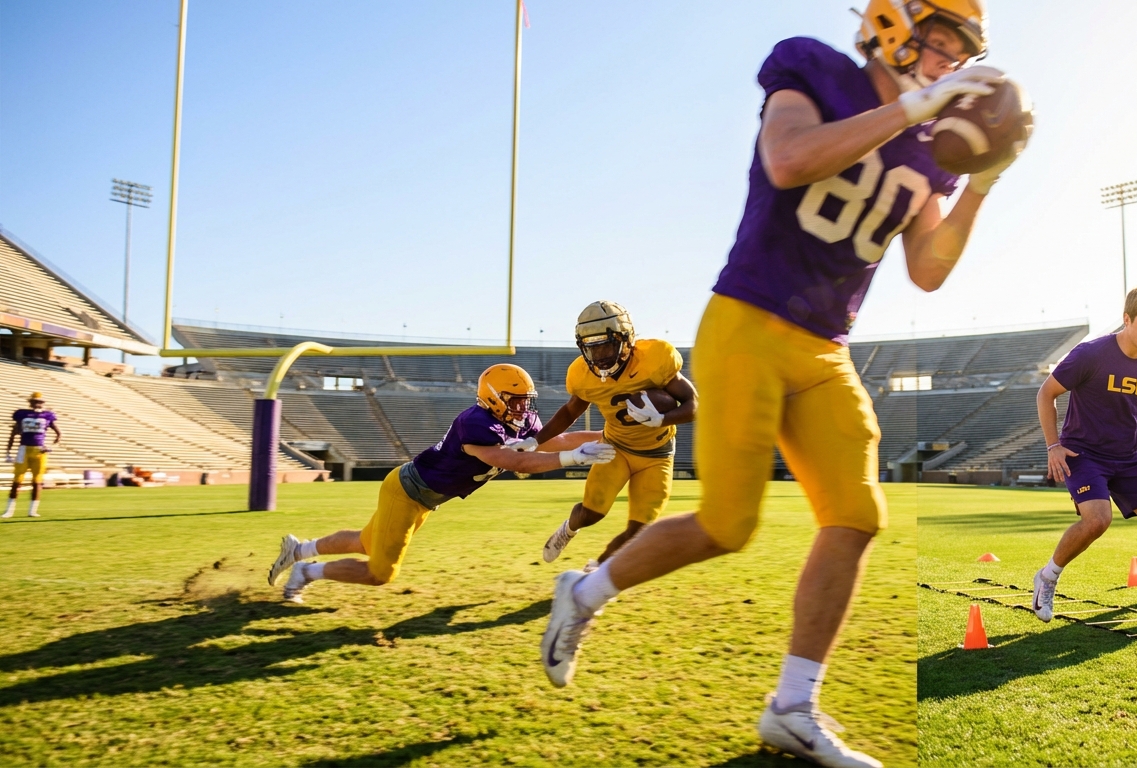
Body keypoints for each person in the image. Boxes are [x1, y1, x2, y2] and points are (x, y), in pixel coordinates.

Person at [539, 2, 1021, 766]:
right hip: (748, 322)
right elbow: (788, 159)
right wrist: (906, 110)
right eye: (937, 39)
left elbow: (927, 269)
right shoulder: (812, 68)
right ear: (893, 21)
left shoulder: (931, 145)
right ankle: (585, 592)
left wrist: (982, 186)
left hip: (825, 349)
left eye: (957, 52)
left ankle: (793, 707)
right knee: (727, 525)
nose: (943, 61)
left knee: (857, 514)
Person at [267, 364, 615, 603]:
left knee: (365, 542)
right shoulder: (475, 423)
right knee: (380, 572)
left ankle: (298, 550)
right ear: (494, 397)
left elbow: (556, 439)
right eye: (516, 400)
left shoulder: (514, 419)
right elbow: (516, 461)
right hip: (407, 492)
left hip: (423, 498)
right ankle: (306, 573)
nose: (523, 407)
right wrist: (574, 458)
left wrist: (608, 436)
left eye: (526, 400)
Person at [1034, 286, 1137, 631]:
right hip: (1084, 454)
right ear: (1126, 320)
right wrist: (1053, 446)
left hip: (1127, 458)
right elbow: (1046, 393)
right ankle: (1047, 578)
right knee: (1097, 520)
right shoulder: (1090, 354)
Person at [536, 301, 698, 571]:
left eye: (606, 345)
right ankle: (569, 528)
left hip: (657, 457)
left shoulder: (655, 358)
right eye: (592, 347)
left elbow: (694, 404)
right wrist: (535, 440)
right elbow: (569, 412)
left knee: (639, 530)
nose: (599, 355)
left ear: (626, 339)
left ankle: (595, 571)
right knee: (591, 513)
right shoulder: (582, 374)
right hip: (615, 449)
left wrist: (662, 419)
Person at [6, 392, 60, 519]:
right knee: (17, 480)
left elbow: (59, 434)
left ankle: (32, 510)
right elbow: (13, 434)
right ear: (30, 403)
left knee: (37, 481)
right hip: (23, 449)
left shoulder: (47, 416)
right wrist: (7, 452)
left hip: (39, 451)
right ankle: (9, 510)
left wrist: (51, 447)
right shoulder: (22, 415)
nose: (38, 404)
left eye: (40, 402)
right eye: (36, 401)